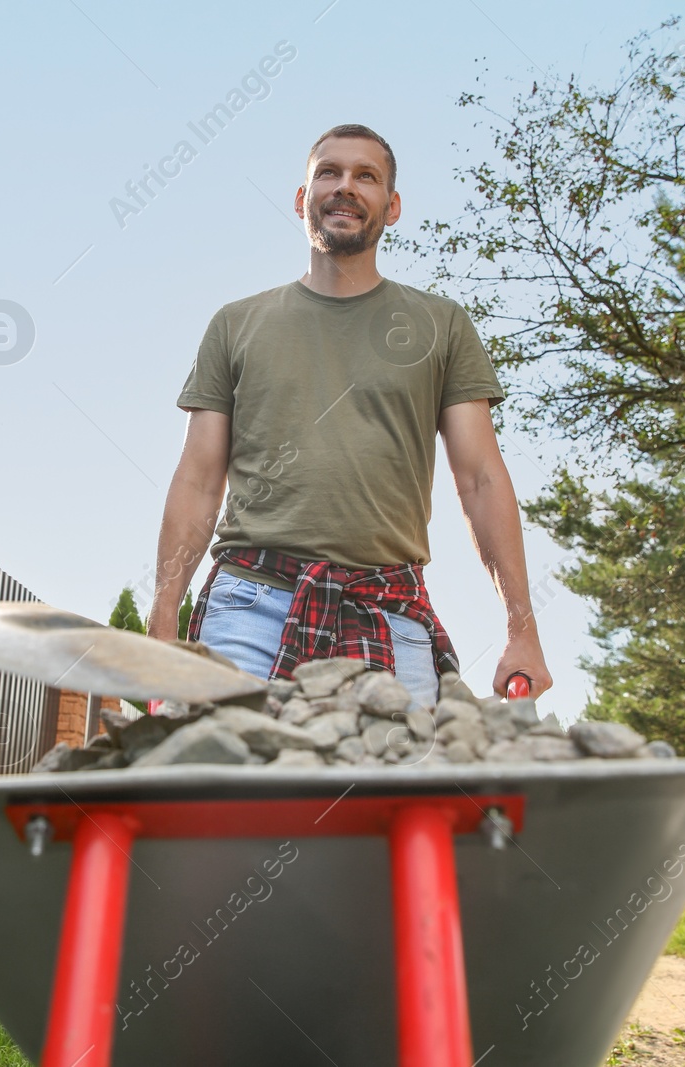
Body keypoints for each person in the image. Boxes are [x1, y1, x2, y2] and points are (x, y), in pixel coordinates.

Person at [143, 123, 551, 706]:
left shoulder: (442, 326)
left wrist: (522, 629)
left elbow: (481, 479)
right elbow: (197, 479)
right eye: (328, 173)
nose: (345, 187)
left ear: (393, 205)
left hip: (386, 609)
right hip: (249, 606)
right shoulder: (237, 324)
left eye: (367, 176)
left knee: (391, 797)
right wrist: (162, 625)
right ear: (300, 198)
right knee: (233, 791)